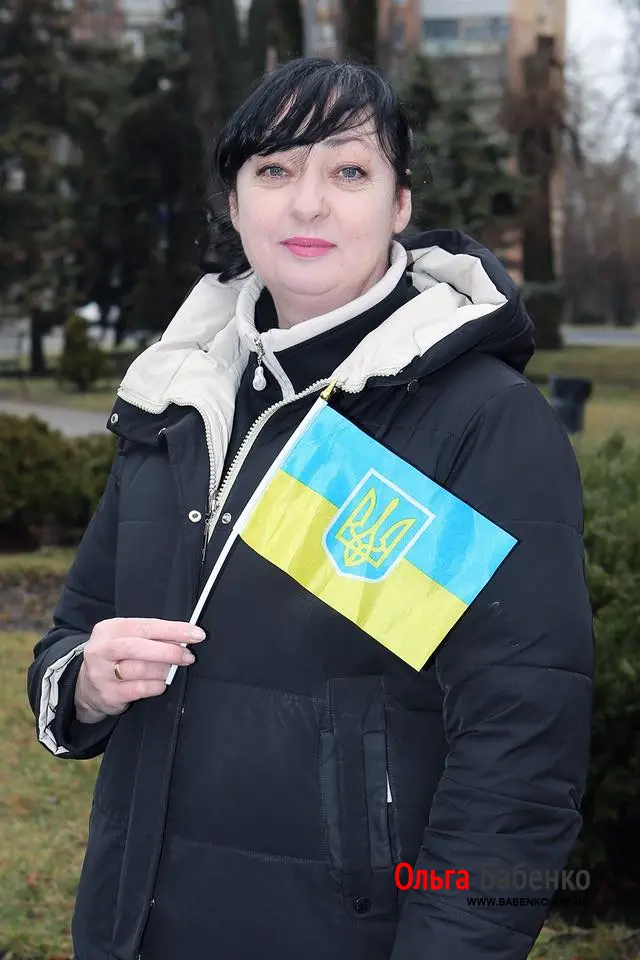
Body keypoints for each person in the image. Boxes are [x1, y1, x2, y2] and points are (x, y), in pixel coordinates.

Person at [27, 58, 593, 960]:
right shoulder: (179, 398)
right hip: (131, 928)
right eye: (275, 169)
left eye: (349, 170)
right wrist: (85, 683)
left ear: (400, 204)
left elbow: (520, 750)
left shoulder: (477, 420)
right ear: (235, 203)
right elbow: (73, 633)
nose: (307, 203)